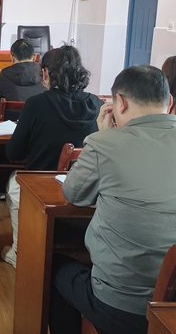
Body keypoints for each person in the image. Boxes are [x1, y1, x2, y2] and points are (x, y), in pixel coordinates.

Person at [49, 65, 176, 334]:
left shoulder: (105, 144)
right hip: (171, 310)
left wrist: (103, 135)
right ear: (169, 102)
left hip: (123, 308)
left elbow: (74, 194)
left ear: (120, 102)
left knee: (53, 267)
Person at [2, 45, 102, 267]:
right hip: (86, 188)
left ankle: (20, 252)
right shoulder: (96, 104)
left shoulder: (36, 104)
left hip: (40, 185)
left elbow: (13, 153)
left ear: (46, 73)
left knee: (13, 184)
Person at [0, 38, 46, 107]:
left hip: (13, 114)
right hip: (37, 114)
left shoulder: (4, 76)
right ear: (34, 57)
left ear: (12, 58)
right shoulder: (44, 75)